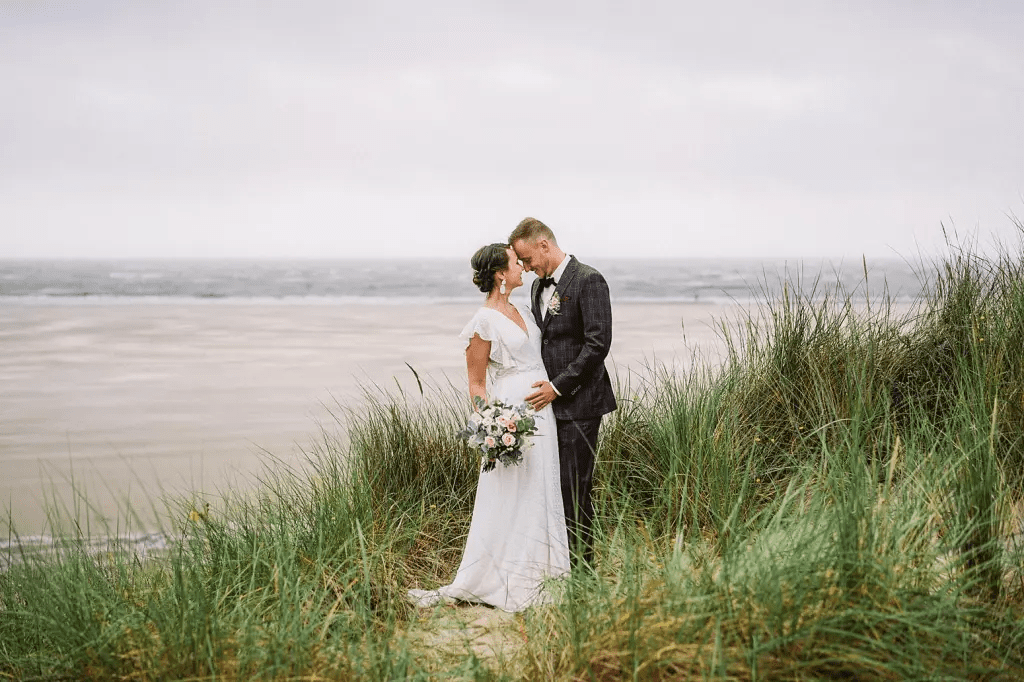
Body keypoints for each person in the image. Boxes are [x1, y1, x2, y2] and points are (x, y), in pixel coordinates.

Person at [407, 243, 570, 611]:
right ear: (500, 274)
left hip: (542, 406)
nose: (523, 268)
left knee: (542, 486)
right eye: (516, 263)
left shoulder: (525, 308)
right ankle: (501, 577)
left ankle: (546, 572)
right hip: (512, 410)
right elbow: (477, 385)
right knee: (511, 491)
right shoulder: (482, 322)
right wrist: (492, 425)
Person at [509, 218, 617, 571]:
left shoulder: (589, 280)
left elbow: (597, 344)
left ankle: (584, 570)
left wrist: (557, 387)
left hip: (581, 403)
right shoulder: (538, 288)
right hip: (547, 409)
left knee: (575, 488)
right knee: (553, 488)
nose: (525, 268)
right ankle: (559, 563)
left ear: (544, 244)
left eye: (527, 259)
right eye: (520, 263)